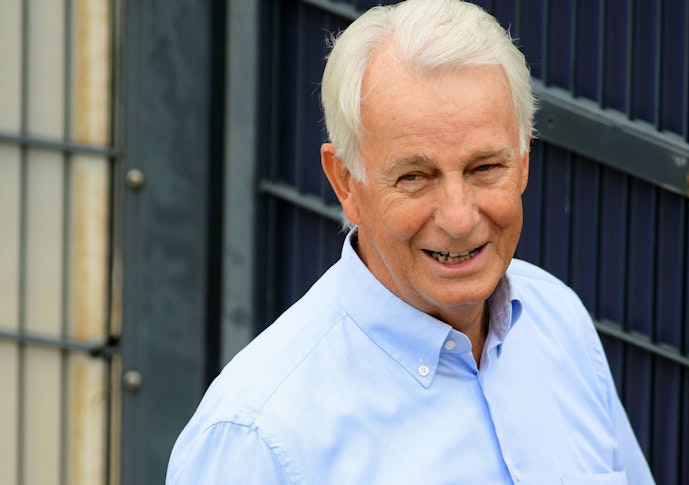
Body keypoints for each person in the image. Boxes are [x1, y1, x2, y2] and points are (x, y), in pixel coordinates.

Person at [167, 0, 654, 483]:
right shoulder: (258, 439)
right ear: (345, 183)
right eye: (415, 177)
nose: (460, 219)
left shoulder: (559, 321)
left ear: (524, 159)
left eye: (485, 167)